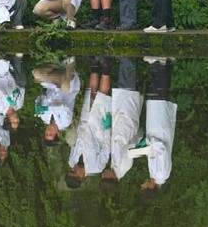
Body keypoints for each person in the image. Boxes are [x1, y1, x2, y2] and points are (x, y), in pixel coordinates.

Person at [65, 57, 112, 189]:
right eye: (74, 172)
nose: (73, 168)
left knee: (91, 92)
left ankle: (95, 64)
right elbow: (106, 148)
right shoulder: (97, 167)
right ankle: (107, 66)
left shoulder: (71, 161)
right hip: (98, 127)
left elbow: (74, 143)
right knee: (102, 95)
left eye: (71, 170)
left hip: (84, 123)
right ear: (80, 177)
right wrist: (107, 127)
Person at [100, 57, 142, 193]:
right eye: (105, 177)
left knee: (125, 84)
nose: (103, 174)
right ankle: (127, 57)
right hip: (127, 118)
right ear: (112, 178)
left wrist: (108, 128)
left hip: (121, 118)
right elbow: (132, 145)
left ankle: (126, 59)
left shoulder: (115, 166)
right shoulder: (123, 166)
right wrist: (141, 136)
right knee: (127, 83)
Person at [139, 56, 177, 205]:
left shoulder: (155, 175)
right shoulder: (161, 173)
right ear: (149, 188)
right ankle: (159, 64)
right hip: (159, 130)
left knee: (158, 97)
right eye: (143, 188)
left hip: (156, 130)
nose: (141, 185)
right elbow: (162, 149)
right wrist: (149, 142)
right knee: (158, 96)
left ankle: (166, 64)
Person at [33, 57, 81, 146]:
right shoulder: (65, 122)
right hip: (69, 86)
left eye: (46, 133)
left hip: (53, 85)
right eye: (51, 134)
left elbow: (41, 96)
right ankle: (69, 64)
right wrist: (48, 106)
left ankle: (58, 63)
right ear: (58, 133)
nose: (48, 131)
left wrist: (38, 104)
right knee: (65, 86)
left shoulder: (44, 117)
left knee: (36, 74)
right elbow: (62, 105)